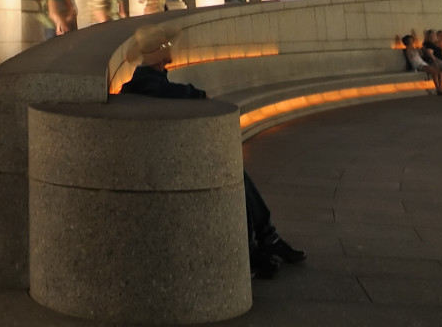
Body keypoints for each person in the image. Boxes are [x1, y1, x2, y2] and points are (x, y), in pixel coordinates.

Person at [120, 40, 305, 277]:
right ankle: (255, 247)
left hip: (170, 157)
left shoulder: (151, 80)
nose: (171, 50)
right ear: (155, 55)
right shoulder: (146, 83)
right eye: (165, 46)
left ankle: (265, 241)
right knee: (230, 174)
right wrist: (194, 93)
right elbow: (160, 90)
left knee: (235, 172)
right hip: (164, 166)